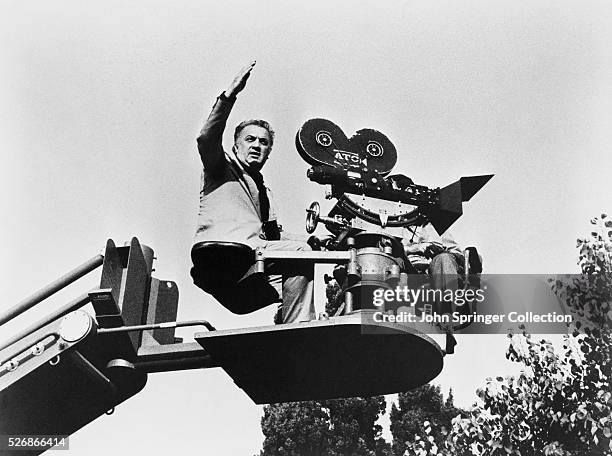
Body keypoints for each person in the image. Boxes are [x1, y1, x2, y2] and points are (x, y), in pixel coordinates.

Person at [191, 61, 317, 323]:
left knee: (306, 257)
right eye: (250, 140)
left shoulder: (265, 193)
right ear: (236, 146)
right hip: (224, 252)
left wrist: (320, 242)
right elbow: (206, 139)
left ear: (269, 152)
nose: (257, 145)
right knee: (301, 254)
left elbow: (276, 235)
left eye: (264, 142)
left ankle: (289, 322)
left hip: (243, 274)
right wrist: (228, 96)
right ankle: (299, 324)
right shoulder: (221, 167)